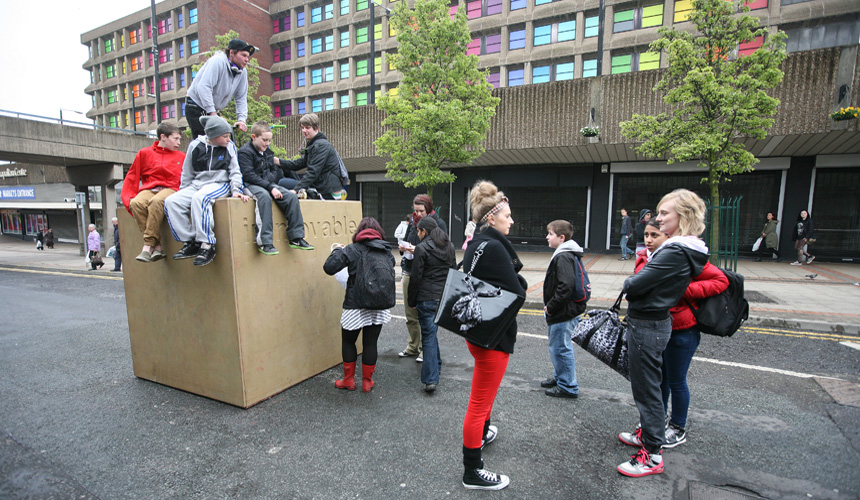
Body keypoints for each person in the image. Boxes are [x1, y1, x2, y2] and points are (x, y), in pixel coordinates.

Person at [617, 188, 709, 478]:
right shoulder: (681, 248)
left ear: (683, 216)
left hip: (648, 325)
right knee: (650, 387)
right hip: (654, 323)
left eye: (664, 213)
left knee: (648, 391)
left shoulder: (676, 249)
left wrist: (632, 282)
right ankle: (649, 437)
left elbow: (634, 285)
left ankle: (652, 455)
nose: (658, 218)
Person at [623, 219, 727, 450]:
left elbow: (721, 280)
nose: (649, 240)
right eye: (646, 235)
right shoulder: (648, 257)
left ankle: (677, 428)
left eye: (655, 235)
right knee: (658, 381)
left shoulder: (680, 256)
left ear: (668, 237)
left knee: (676, 380)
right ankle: (654, 428)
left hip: (683, 330)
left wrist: (680, 289)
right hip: (657, 326)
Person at [458, 181, 526, 491]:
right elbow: (516, 292)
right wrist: (521, 284)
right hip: (493, 339)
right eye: (508, 216)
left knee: (484, 399)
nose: (511, 221)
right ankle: (472, 471)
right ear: (491, 218)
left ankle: (483, 433)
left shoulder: (475, 243)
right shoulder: (495, 246)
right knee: (479, 403)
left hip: (478, 332)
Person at [164, 116, 249, 267]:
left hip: (220, 183)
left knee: (200, 198)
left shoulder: (229, 147)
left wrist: (236, 189)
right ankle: (190, 241)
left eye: (229, 135)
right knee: (171, 202)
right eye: (225, 136)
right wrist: (184, 191)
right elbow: (187, 171)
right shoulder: (195, 145)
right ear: (213, 136)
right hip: (197, 184)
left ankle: (207, 244)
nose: (228, 139)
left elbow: (235, 172)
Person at [323, 217, 396, 393]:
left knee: (348, 341)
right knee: (370, 343)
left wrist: (338, 251)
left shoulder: (352, 249)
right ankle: (367, 381)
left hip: (355, 305)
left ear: (359, 232)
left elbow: (329, 267)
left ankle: (348, 380)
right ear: (379, 232)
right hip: (378, 305)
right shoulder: (386, 251)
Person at [238, 121, 313, 254]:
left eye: (269, 141)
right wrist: (269, 187)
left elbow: (275, 172)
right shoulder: (245, 153)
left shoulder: (268, 152)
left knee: (291, 197)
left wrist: (270, 185)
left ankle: (296, 238)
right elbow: (249, 175)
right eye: (264, 140)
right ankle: (265, 242)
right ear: (254, 137)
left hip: (268, 184)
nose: (267, 143)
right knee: (264, 197)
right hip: (251, 185)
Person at [122, 122, 186, 263]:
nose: (179, 142)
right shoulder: (144, 153)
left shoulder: (182, 156)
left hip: (172, 189)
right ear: (163, 137)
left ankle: (148, 245)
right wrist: (128, 197)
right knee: (137, 203)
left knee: (156, 202)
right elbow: (132, 175)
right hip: (150, 188)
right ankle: (157, 246)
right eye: (175, 139)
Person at [407, 217, 456, 393]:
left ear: (424, 231)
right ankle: (437, 366)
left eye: (418, 231)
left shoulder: (421, 248)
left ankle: (430, 379)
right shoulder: (449, 246)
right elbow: (454, 272)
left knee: (427, 335)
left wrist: (411, 300)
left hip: (426, 298)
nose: (418, 235)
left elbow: (416, 278)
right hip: (442, 298)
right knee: (431, 333)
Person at [397, 194, 448, 363]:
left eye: (421, 211)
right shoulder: (412, 224)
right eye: (415, 210)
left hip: (427, 274)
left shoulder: (438, 224)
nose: (417, 214)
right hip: (409, 270)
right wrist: (403, 248)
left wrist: (417, 251)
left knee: (425, 315)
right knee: (410, 313)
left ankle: (424, 350)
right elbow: (407, 242)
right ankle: (413, 345)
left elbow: (442, 249)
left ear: (428, 209)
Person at [540, 219, 587, 399]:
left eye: (550, 234)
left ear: (561, 237)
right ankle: (561, 377)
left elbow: (565, 286)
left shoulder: (563, 256)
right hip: (565, 309)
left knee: (560, 347)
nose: (547, 237)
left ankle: (568, 385)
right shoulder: (565, 253)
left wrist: (551, 307)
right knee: (557, 345)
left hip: (563, 311)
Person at [185, 39, 256, 139]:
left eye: (248, 57)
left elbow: (241, 98)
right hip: (196, 105)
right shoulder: (218, 61)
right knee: (206, 143)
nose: (247, 59)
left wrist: (241, 120)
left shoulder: (242, 72)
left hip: (213, 109)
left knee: (226, 140)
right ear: (232, 53)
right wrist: (213, 114)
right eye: (243, 55)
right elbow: (203, 87)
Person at [279, 113, 347, 200]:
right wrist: (277, 161)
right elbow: (297, 164)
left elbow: (313, 172)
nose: (304, 131)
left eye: (307, 128)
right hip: (321, 187)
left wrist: (296, 190)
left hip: (326, 191)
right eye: (302, 128)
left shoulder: (321, 146)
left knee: (283, 183)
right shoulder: (314, 144)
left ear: (316, 128)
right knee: (284, 182)